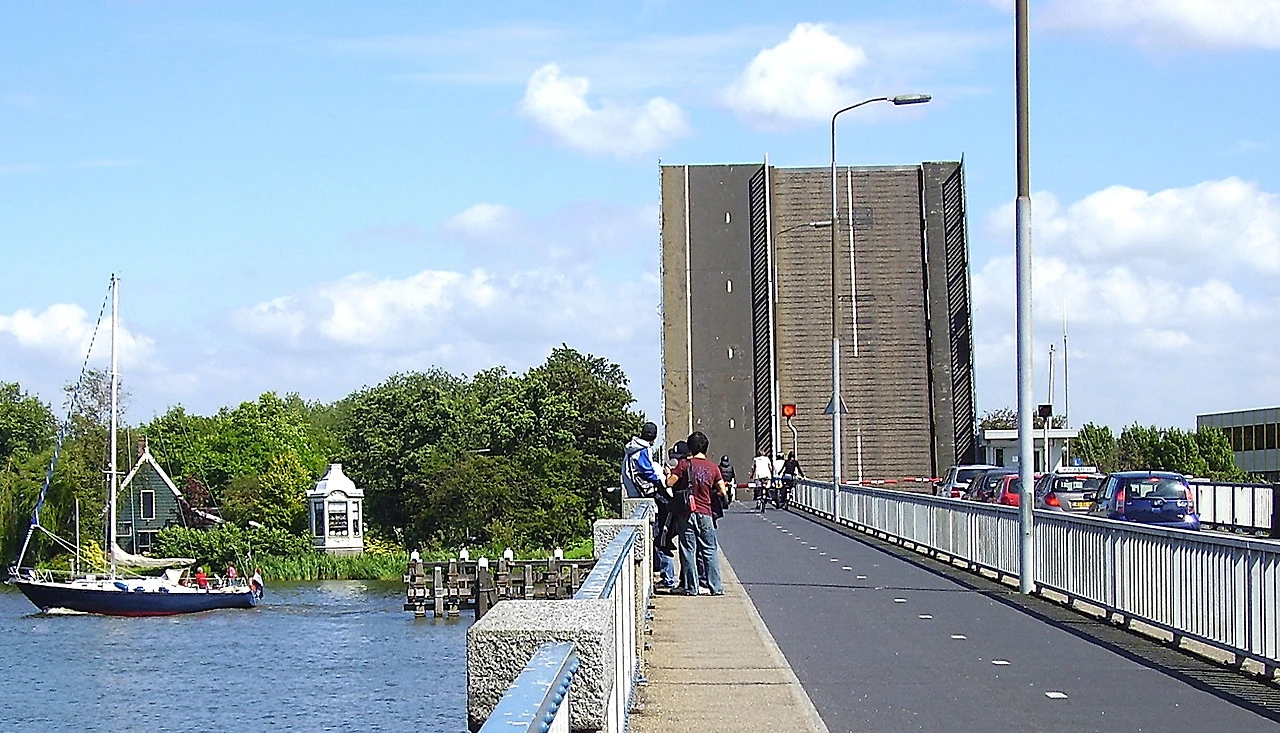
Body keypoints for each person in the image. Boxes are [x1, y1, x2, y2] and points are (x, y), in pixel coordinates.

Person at [665, 431, 728, 596]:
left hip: (687, 513)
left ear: (689, 448)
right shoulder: (713, 467)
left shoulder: (684, 464)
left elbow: (669, 483)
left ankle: (691, 588)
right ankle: (716, 587)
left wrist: (668, 474)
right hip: (706, 513)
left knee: (688, 550)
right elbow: (722, 491)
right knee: (710, 550)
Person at [622, 422, 674, 589]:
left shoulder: (631, 449)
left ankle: (660, 570)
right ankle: (667, 576)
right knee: (661, 535)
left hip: (634, 494)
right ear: (654, 437)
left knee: (657, 536)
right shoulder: (643, 450)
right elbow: (647, 471)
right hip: (646, 494)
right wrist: (659, 482)